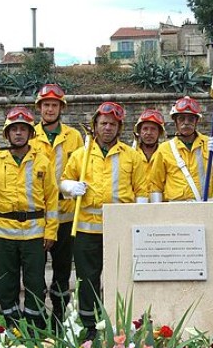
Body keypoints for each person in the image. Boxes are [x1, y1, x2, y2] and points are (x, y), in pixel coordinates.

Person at [61, 102, 148, 333]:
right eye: (103, 123)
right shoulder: (81, 155)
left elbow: (141, 191)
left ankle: (118, 323)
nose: (107, 128)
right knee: (87, 280)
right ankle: (90, 325)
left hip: (119, 228)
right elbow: (63, 183)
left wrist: (138, 222)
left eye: (112, 124)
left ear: (119, 128)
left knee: (119, 279)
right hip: (86, 230)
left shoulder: (132, 156)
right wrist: (70, 187)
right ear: (95, 126)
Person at [0, 106, 58, 327]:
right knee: (7, 282)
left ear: (30, 134)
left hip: (34, 234)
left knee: (35, 281)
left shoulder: (42, 161)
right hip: (4, 233)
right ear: (7, 134)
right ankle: (12, 326)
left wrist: (51, 231)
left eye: (23, 129)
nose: (18, 133)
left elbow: (51, 199)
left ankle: (36, 326)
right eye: (14, 129)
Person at [31, 83, 83, 324]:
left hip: (65, 214)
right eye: (46, 105)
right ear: (39, 108)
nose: (50, 109)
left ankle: (60, 318)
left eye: (54, 105)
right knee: (35, 271)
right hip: (38, 215)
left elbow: (82, 170)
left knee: (62, 271)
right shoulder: (30, 135)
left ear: (61, 108)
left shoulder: (74, 137)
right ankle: (38, 318)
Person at [147, 96, 213, 202]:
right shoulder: (164, 149)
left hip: (204, 207)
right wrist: (157, 212)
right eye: (181, 118)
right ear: (175, 122)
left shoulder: (209, 144)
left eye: (191, 119)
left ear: (196, 121)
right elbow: (156, 185)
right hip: (177, 209)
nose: (186, 122)